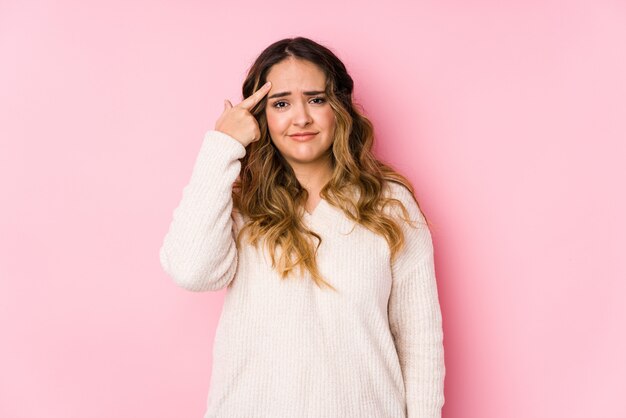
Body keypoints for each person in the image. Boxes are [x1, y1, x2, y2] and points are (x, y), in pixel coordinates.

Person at [159, 36, 445, 418]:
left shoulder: (388, 205)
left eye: (316, 99)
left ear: (339, 108)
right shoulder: (240, 205)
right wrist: (222, 145)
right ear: (261, 116)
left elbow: (420, 342)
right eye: (281, 103)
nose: (301, 118)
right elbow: (190, 270)